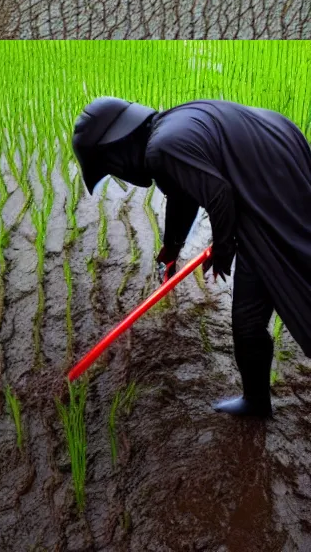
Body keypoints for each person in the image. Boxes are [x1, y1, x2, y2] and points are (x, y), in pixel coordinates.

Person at [72, 97, 311, 417]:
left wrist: (224, 251)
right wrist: (172, 248)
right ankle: (256, 400)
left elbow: (219, 195)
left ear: (116, 151)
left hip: (266, 209)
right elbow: (183, 195)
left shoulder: (163, 148)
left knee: (253, 318)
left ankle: (255, 403)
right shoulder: (172, 127)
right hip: (284, 166)